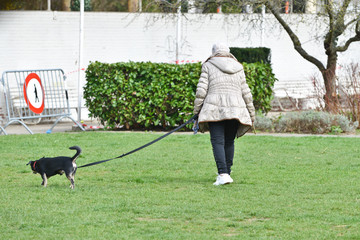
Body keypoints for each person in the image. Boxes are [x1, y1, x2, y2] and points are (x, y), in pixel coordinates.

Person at [193, 43, 255, 186]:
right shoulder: (238, 67)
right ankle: (227, 172)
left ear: (214, 52)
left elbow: (201, 91)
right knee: (229, 141)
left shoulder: (208, 65)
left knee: (218, 141)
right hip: (236, 108)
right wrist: (251, 114)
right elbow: (246, 92)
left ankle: (223, 174)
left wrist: (196, 111)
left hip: (214, 108)